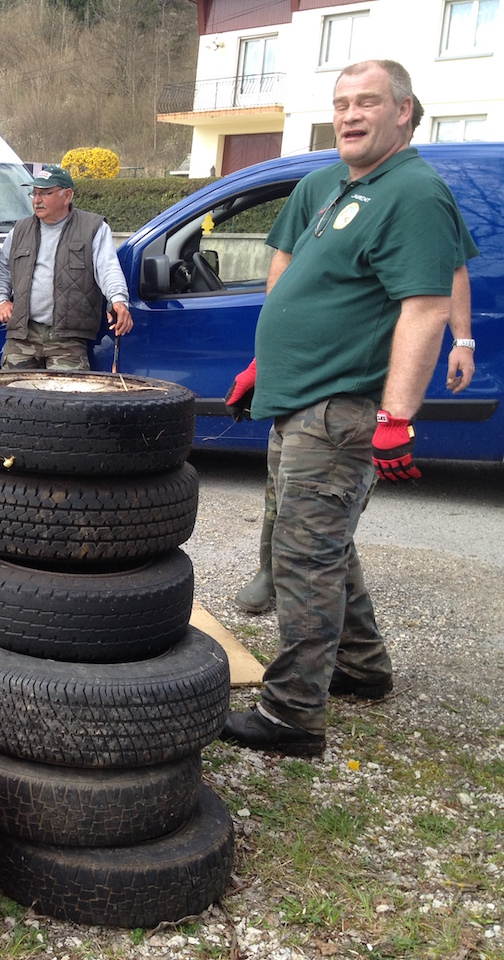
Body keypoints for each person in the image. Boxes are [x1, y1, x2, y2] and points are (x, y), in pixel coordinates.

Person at [220, 60, 479, 757]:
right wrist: (263, 365)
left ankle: (292, 716)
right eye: (341, 103)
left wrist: (396, 417)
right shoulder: (341, 184)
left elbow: (424, 307)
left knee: (304, 559)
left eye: (367, 101)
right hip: (301, 398)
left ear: (404, 110)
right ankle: (361, 667)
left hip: (340, 409)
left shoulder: (413, 192)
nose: (350, 114)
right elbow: (297, 282)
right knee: (320, 542)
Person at [0, 164, 133, 369]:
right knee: (11, 389)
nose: (37, 200)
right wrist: (1, 300)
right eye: (34, 193)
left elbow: (108, 268)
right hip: (23, 335)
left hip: (68, 337)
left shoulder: (93, 228)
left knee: (67, 391)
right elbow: (2, 269)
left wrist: (118, 300)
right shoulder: (20, 230)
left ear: (67, 196)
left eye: (45, 193)